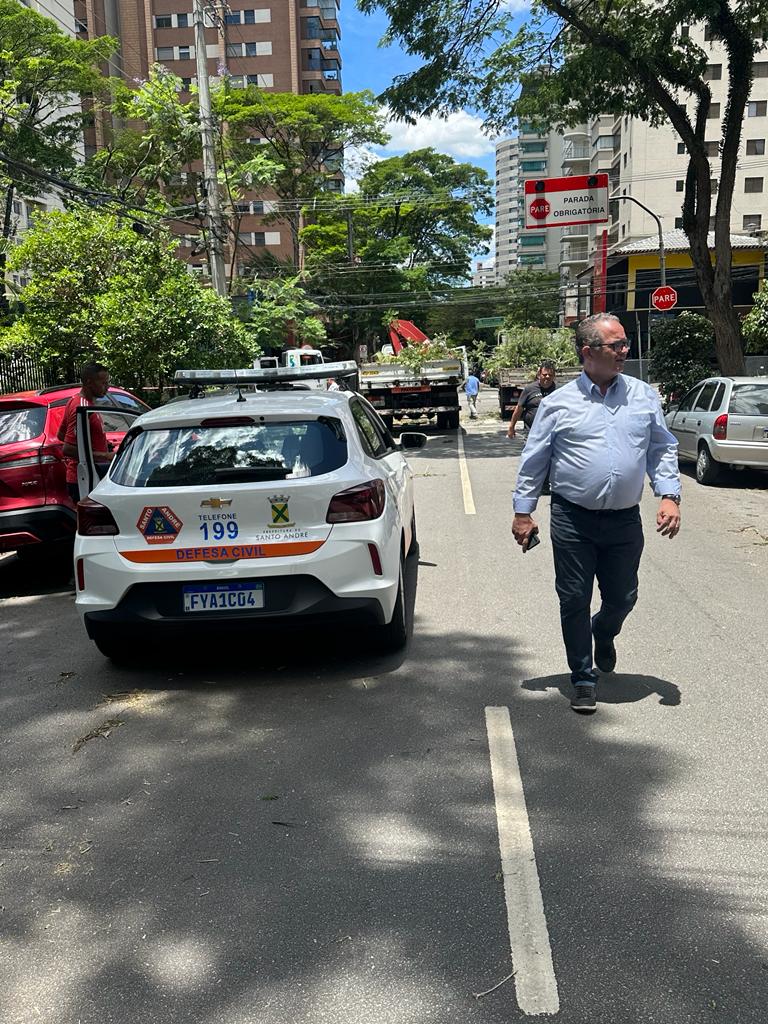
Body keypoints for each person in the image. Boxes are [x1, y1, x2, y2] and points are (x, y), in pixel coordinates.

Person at [511, 313, 681, 714]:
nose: (625, 351)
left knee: (623, 597)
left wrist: (669, 495)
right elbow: (534, 460)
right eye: (616, 345)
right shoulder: (558, 404)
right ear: (588, 352)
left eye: (625, 343)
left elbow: (662, 447)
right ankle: (583, 677)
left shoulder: (642, 396)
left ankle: (603, 632)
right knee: (573, 597)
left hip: (624, 519)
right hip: (573, 518)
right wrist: (523, 511)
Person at [57, 362, 114, 504]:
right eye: (103, 383)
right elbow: (68, 448)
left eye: (107, 382)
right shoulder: (82, 407)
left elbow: (61, 435)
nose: (107, 387)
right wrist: (105, 455)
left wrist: (98, 445)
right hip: (85, 477)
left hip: (90, 474)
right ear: (89, 382)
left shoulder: (79, 402)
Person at [507, 360, 557, 439]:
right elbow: (519, 409)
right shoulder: (529, 389)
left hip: (552, 433)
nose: (547, 377)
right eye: (545, 374)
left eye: (550, 375)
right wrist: (511, 427)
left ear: (554, 376)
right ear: (539, 375)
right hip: (531, 433)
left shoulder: (558, 390)